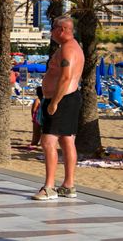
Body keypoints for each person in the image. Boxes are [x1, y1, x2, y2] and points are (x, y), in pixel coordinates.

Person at [32, 16, 84, 201]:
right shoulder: (72, 47)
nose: (51, 32)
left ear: (61, 29)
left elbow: (65, 78)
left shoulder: (68, 49)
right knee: (67, 140)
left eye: (53, 28)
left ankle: (49, 187)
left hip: (62, 99)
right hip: (68, 99)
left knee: (48, 142)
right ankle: (68, 186)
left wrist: (54, 102)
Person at [28, 86, 44, 150]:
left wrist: (33, 117)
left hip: (36, 118)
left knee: (36, 132)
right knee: (42, 131)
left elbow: (34, 110)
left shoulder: (37, 100)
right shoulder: (45, 100)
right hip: (43, 118)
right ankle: (40, 143)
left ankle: (34, 143)